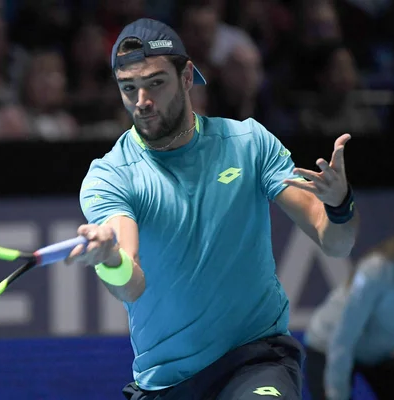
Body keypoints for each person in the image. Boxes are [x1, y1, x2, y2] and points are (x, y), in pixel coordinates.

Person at [65, 18, 360, 399]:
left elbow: (335, 243)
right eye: (129, 88)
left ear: (187, 76)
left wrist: (338, 204)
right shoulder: (112, 175)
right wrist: (110, 258)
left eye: (155, 83)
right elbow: (131, 283)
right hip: (167, 383)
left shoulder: (248, 144)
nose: (142, 102)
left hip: (255, 360)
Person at [304, 235, 394, 400]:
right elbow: (343, 338)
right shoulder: (377, 270)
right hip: (327, 347)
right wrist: (336, 394)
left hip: (375, 354)